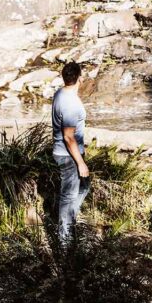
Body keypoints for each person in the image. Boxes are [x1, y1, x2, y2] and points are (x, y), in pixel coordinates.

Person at [52, 61, 90, 240]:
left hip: (67, 152)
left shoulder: (60, 93)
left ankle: (68, 222)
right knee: (68, 196)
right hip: (68, 156)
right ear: (80, 79)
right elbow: (68, 136)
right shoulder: (70, 103)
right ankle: (64, 239)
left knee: (84, 186)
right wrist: (80, 162)